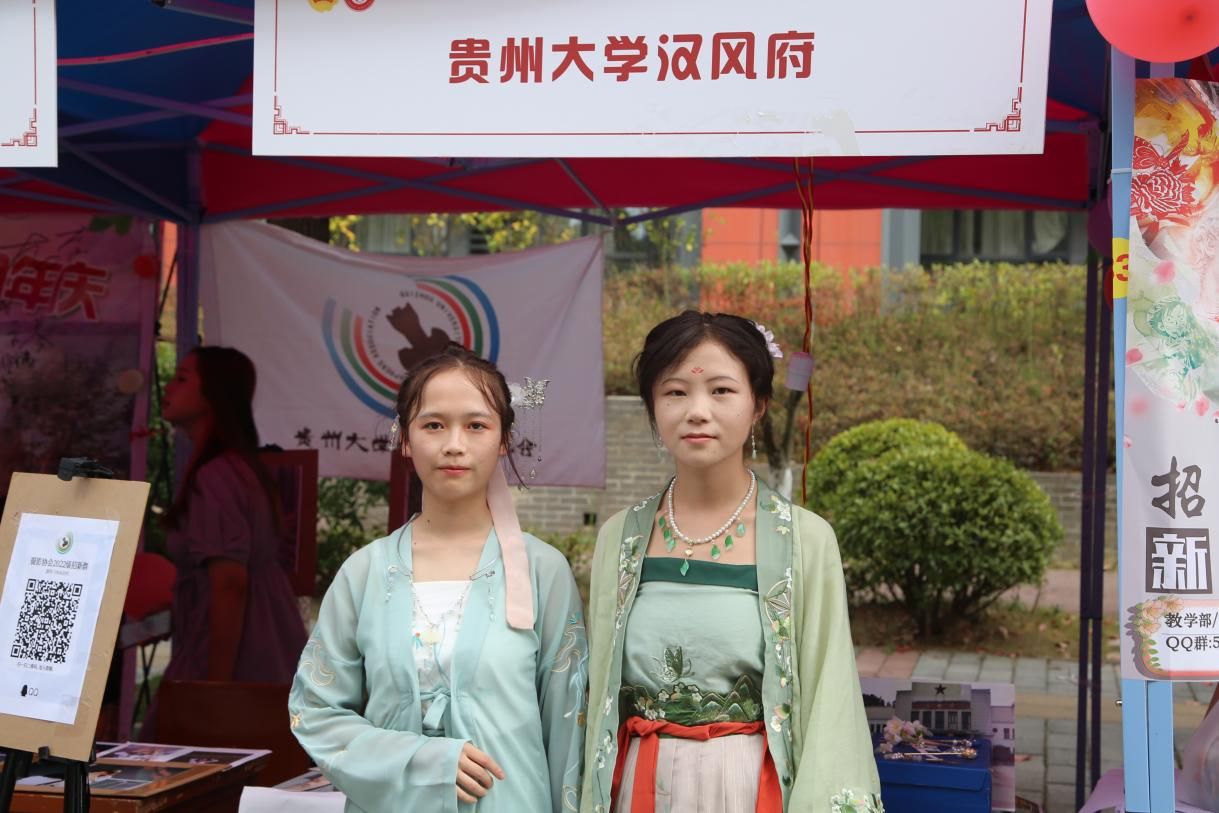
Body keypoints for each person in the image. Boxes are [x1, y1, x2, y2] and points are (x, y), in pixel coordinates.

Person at [580, 312, 883, 813]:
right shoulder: (621, 537)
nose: (697, 411)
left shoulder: (805, 540)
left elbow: (831, 698)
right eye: (675, 392)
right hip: (638, 783)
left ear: (758, 405)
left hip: (747, 785)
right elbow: (598, 701)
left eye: (721, 390)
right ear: (652, 406)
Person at [289, 343, 587, 813]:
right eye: (433, 425)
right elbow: (315, 710)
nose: (454, 444)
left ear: (504, 439)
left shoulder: (541, 571)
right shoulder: (364, 573)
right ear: (404, 439)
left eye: (476, 425)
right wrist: (419, 759)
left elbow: (569, 729)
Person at [152, 347, 306, 711]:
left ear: (213, 394)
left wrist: (216, 686)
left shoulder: (215, 476)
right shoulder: (239, 469)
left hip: (234, 651)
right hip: (265, 640)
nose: (169, 386)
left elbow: (229, 582)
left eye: (182, 378)